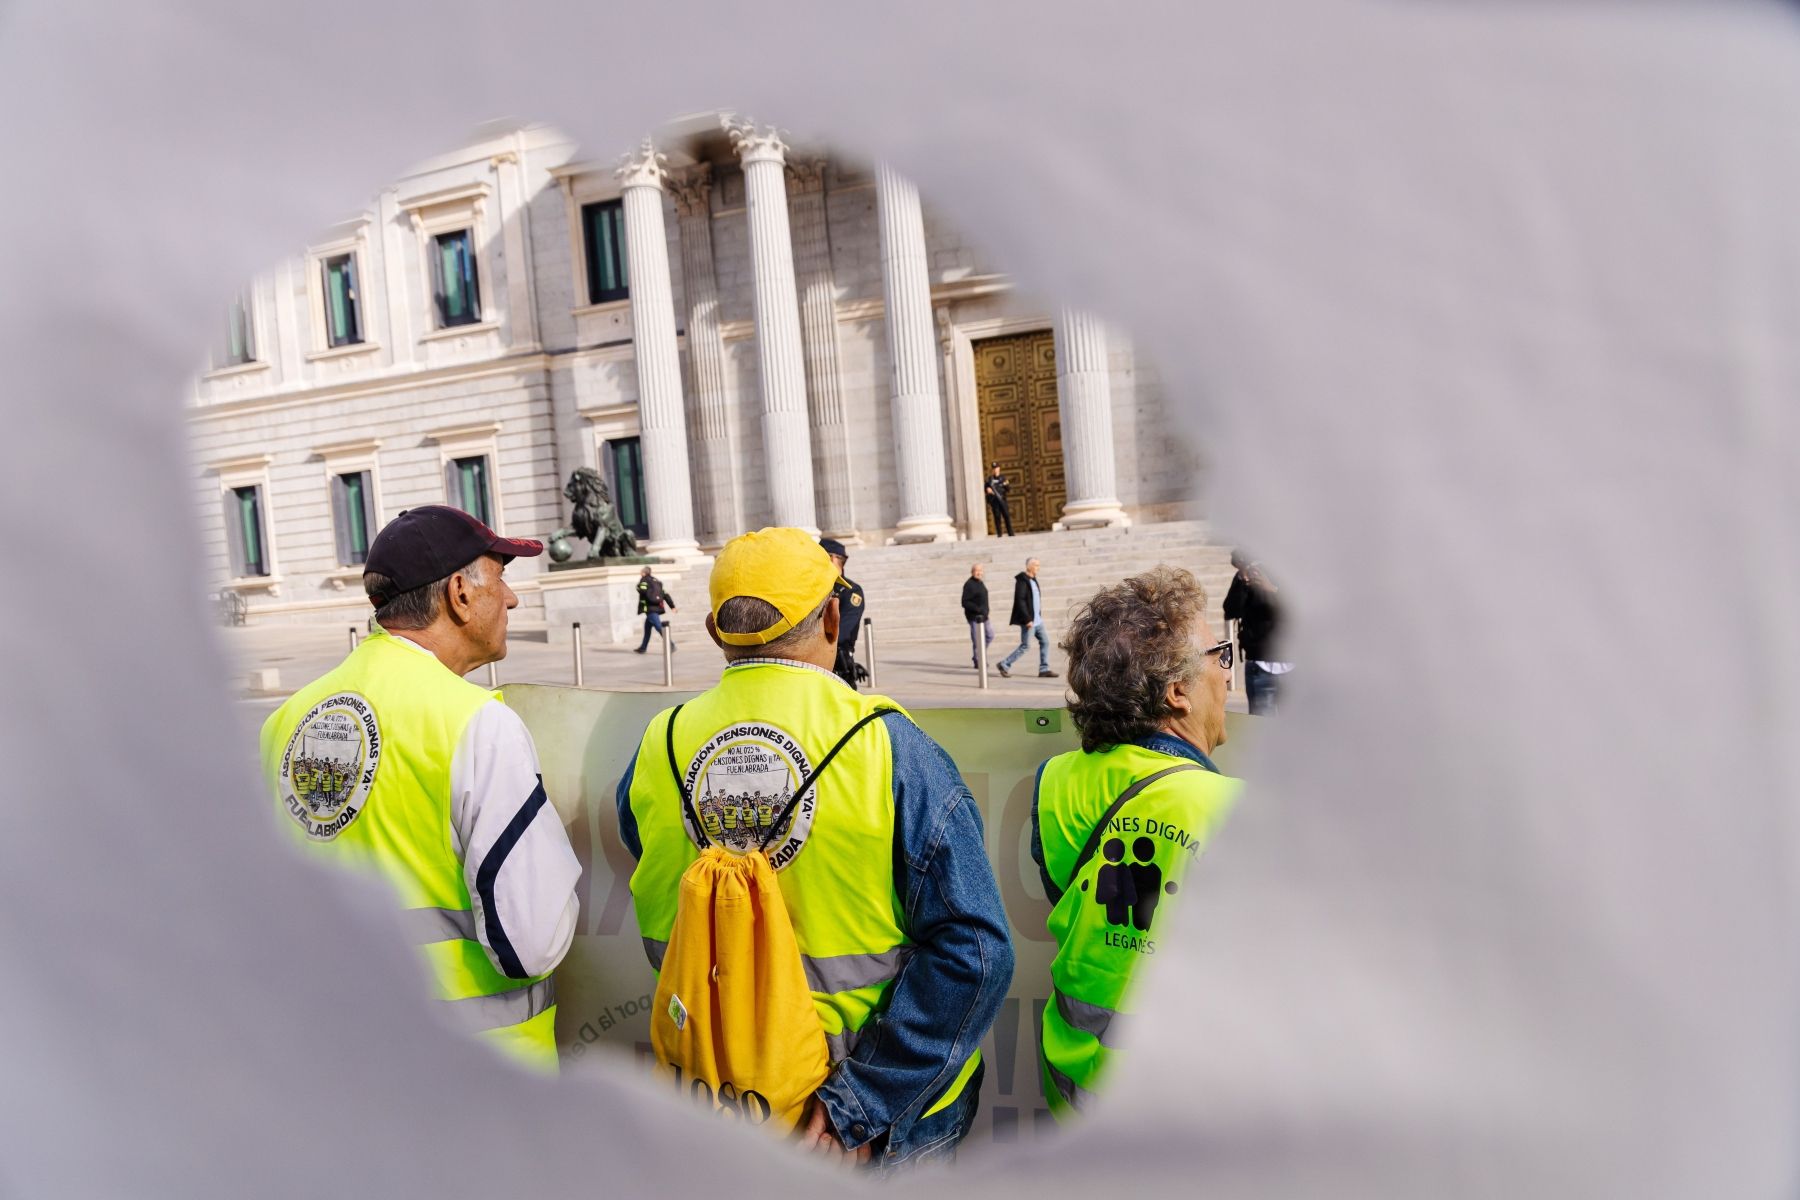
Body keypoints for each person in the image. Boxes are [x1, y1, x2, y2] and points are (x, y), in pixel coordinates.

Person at [615, 527, 1013, 1171]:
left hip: (721, 1095)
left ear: (717, 633)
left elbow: (650, 857)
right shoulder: (887, 745)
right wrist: (856, 1104)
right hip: (865, 1125)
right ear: (833, 616)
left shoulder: (659, 744)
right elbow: (976, 951)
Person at [259, 505, 580, 1072]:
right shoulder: (476, 723)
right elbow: (530, 944)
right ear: (460, 593)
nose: (512, 599)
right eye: (502, 578)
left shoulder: (285, 721)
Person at [1030, 566, 1240, 1117]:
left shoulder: (1055, 782)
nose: (1227, 675)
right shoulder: (1228, 810)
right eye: (1219, 656)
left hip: (1076, 1083)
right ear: (1177, 693)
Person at [1222, 550, 1290, 714]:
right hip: (1260, 667)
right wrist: (1241, 578)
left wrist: (1271, 590)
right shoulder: (1248, 577)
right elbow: (1231, 611)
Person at [997, 556, 1057, 678]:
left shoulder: (1033, 579)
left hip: (1038, 621)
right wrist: (1027, 619)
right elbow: (1020, 601)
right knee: (1026, 646)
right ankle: (1004, 664)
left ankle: (1044, 669)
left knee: (1045, 642)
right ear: (1029, 566)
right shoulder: (1022, 581)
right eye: (1036, 566)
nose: (1038, 568)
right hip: (1029, 621)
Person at [820, 536, 865, 690]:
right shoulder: (812, 588)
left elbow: (842, 631)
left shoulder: (851, 591)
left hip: (838, 663)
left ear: (832, 559)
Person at [634, 564, 677, 654]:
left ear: (644, 573)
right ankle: (643, 647)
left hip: (650, 608)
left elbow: (642, 590)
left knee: (659, 627)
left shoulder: (644, 580)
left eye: (641, 572)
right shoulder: (657, 581)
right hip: (657, 606)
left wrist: (638, 586)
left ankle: (671, 644)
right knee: (647, 629)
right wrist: (672, 606)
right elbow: (665, 594)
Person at [962, 562, 994, 669]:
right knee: (977, 640)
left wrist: (986, 610)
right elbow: (965, 602)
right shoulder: (969, 584)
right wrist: (978, 609)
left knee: (990, 635)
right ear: (972, 572)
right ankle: (978, 660)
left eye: (980, 570)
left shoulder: (980, 583)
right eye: (976, 571)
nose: (979, 572)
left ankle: (979, 655)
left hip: (985, 616)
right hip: (975, 618)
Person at [984, 462, 1015, 536]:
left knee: (1006, 516)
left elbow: (1008, 489)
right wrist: (988, 490)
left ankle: (1010, 533)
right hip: (995, 501)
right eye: (994, 468)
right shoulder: (989, 480)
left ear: (999, 468)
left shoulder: (1003, 478)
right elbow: (985, 488)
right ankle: (999, 534)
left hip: (1002, 500)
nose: (995, 470)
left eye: (996, 468)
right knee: (997, 517)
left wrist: (1005, 485)